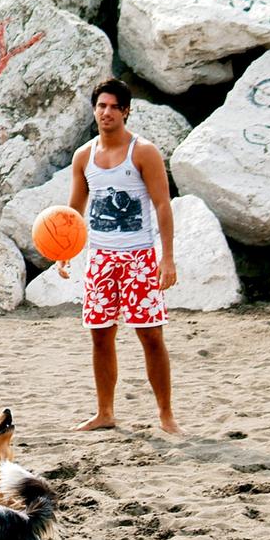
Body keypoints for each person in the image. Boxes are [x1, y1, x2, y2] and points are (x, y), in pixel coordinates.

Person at [57, 78, 181, 434]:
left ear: (126, 111)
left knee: (150, 336)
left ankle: (166, 414)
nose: (106, 112)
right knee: (100, 335)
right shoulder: (84, 156)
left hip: (139, 257)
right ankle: (105, 413)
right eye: (101, 106)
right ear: (94, 110)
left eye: (114, 107)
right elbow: (75, 209)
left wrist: (167, 258)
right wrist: (64, 253)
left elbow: (162, 205)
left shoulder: (143, 152)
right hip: (100, 258)